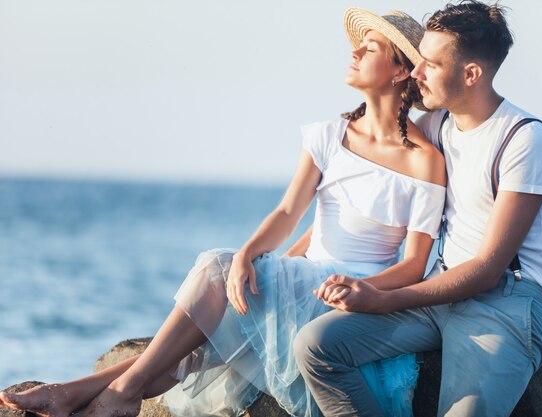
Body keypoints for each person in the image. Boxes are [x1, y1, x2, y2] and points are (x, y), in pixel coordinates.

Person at [0, 8, 446, 417]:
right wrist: (249, 255)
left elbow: (413, 265)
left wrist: (361, 289)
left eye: (369, 49)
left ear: (401, 70)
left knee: (212, 299)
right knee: (221, 286)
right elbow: (289, 211)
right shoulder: (330, 135)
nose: (353, 52)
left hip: (355, 298)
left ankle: (98, 392)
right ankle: (99, 393)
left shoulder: (425, 159)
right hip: (305, 276)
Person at [294, 1, 542, 416]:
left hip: (507, 301)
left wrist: (384, 298)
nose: (417, 73)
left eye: (431, 65)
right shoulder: (436, 127)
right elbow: (374, 189)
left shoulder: (525, 141)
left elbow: (488, 267)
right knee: (316, 345)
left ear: (471, 73)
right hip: (439, 293)